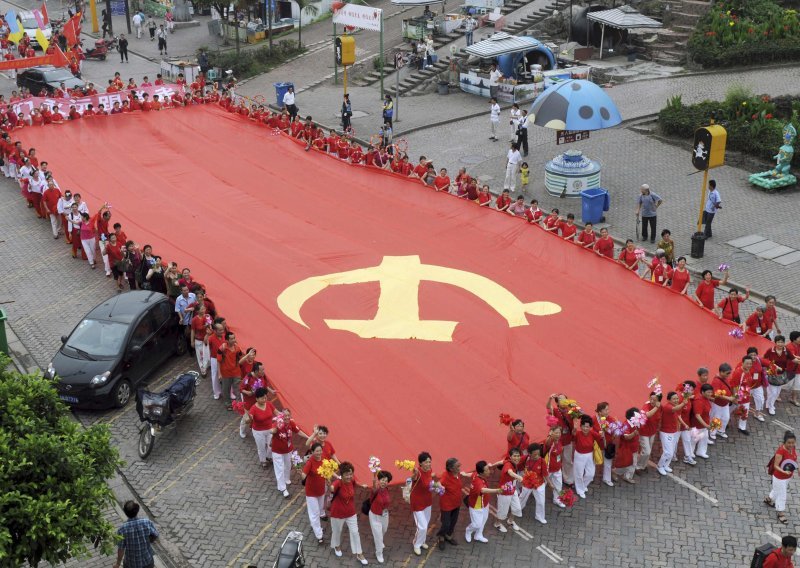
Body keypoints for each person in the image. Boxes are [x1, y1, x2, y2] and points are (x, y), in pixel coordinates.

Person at [329, 462, 369, 565]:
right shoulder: (338, 483)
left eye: (351, 474)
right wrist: (328, 482)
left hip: (351, 512)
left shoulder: (352, 480)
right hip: (337, 513)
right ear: (341, 475)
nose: (349, 476)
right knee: (337, 531)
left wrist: (362, 485)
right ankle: (336, 546)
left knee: (355, 532)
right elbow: (332, 488)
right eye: (347, 474)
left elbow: (355, 483)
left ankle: (359, 553)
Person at [270, 409, 306, 497]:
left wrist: (308, 437)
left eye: (288, 415)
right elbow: (272, 431)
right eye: (285, 415)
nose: (287, 417)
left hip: (288, 450)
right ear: (282, 416)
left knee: (288, 465)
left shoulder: (291, 423)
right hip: (277, 451)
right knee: (280, 469)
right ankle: (283, 488)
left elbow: (298, 431)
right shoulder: (277, 422)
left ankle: (286, 478)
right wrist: (276, 427)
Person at [436, 457, 469, 549]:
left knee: (453, 522)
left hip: (456, 503)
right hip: (447, 505)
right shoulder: (445, 476)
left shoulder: (457, 473)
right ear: (451, 469)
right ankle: (441, 536)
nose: (460, 467)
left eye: (459, 465)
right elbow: (439, 483)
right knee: (446, 523)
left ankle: (448, 536)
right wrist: (439, 486)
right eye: (457, 466)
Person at [766, 431, 798, 525]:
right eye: (789, 443)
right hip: (779, 477)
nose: (791, 445)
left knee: (777, 490)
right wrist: (784, 471)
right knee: (782, 495)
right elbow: (776, 466)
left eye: (793, 442)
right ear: (785, 442)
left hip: (788, 476)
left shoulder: (793, 448)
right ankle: (781, 513)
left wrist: (798, 467)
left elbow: (794, 459)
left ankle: (768, 499)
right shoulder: (780, 451)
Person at [465, 460, 501, 543]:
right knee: (476, 524)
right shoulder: (478, 482)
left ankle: (478, 535)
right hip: (476, 506)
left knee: (484, 520)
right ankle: (468, 530)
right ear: (481, 473)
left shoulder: (477, 474)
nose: (489, 471)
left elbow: (471, 474)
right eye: (487, 470)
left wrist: (465, 474)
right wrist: (497, 491)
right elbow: (483, 490)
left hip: (485, 503)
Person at [114, 500, 158, 568]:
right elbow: (156, 535)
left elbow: (121, 549)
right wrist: (149, 540)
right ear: (137, 510)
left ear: (125, 513)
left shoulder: (122, 529)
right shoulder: (146, 522)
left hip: (131, 563)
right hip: (147, 561)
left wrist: (118, 564)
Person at [656, 391, 689, 475]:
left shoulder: (676, 406)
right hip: (666, 432)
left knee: (671, 450)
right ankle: (660, 466)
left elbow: (678, 416)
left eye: (677, 398)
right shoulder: (667, 407)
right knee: (668, 452)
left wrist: (684, 424)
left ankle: (666, 465)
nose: (676, 400)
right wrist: (683, 403)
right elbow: (675, 409)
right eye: (674, 399)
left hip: (674, 431)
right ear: (668, 400)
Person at [244, 387, 277, 467]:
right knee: (261, 447)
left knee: (272, 445)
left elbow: (277, 412)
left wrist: (284, 416)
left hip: (270, 429)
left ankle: (269, 457)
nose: (265, 400)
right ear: (257, 399)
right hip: (258, 431)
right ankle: (263, 460)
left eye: (265, 397)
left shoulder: (269, 404)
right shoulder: (253, 409)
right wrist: (248, 418)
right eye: (262, 398)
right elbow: (248, 421)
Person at [571, 415, 602, 498]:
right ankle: (580, 490)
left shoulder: (592, 433)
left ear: (590, 427)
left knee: (590, 474)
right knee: (578, 474)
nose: (585, 429)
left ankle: (582, 485)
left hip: (590, 455)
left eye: (587, 427)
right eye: (584, 426)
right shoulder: (577, 434)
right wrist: (574, 426)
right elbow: (573, 433)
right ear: (580, 427)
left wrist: (603, 432)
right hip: (579, 455)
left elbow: (600, 437)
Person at [302, 442, 327, 544]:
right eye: (316, 451)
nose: (319, 453)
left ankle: (315, 525)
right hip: (311, 492)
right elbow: (304, 475)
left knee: (320, 509)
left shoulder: (324, 460)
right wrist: (302, 473)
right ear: (312, 452)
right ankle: (319, 534)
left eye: (320, 450)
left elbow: (326, 471)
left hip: (321, 490)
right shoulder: (310, 462)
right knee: (315, 513)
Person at [410, 451, 434, 556]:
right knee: (422, 526)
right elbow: (413, 478)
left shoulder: (429, 470)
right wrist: (414, 474)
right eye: (426, 462)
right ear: (420, 463)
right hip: (417, 503)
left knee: (426, 523)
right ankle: (416, 544)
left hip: (427, 501)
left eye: (430, 462)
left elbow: (430, 480)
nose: (429, 464)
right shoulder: (418, 473)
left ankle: (422, 541)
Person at [493, 448, 523, 532]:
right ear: (510, 457)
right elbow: (510, 472)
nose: (517, 458)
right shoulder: (508, 465)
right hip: (504, 492)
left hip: (512, 490)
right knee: (503, 510)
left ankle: (510, 521)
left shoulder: (508, 462)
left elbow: (500, 462)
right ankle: (497, 524)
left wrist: (491, 465)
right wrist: (519, 477)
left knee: (517, 508)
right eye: (514, 456)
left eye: (518, 456)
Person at [764, 336, 795, 416]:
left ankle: (769, 403)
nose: (780, 344)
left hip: (782, 375)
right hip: (772, 374)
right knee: (773, 392)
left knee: (777, 392)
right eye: (778, 342)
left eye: (782, 342)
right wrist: (772, 366)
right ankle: (771, 406)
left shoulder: (786, 351)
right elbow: (764, 360)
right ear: (775, 342)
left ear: (784, 343)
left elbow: (793, 359)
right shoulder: (770, 351)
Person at [368, 470, 392, 564]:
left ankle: (379, 541)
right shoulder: (375, 490)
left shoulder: (386, 489)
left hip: (385, 515)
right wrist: (374, 475)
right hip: (374, 516)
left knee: (384, 530)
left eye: (386, 481)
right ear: (379, 480)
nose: (383, 482)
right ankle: (379, 553)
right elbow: (374, 486)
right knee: (378, 536)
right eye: (382, 480)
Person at [635, 392, 662, 474]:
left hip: (652, 432)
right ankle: (638, 466)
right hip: (644, 432)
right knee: (646, 451)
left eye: (654, 400)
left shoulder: (660, 407)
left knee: (648, 450)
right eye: (651, 399)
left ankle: (643, 465)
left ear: (658, 400)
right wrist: (656, 407)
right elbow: (648, 415)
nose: (652, 401)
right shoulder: (646, 405)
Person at [612, 409, 640, 484]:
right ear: (632, 417)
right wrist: (634, 433)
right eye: (637, 415)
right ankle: (616, 472)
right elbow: (626, 437)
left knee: (632, 463)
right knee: (626, 463)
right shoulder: (626, 425)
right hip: (627, 449)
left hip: (634, 448)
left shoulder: (636, 423)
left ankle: (627, 476)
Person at [709, 363, 736, 441]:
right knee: (716, 418)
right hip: (717, 404)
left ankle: (721, 431)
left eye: (729, 373)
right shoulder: (716, 381)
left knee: (725, 418)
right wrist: (728, 398)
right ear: (721, 372)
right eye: (727, 373)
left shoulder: (726, 378)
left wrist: (733, 396)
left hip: (725, 404)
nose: (729, 375)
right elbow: (716, 394)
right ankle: (712, 432)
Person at [217, 331, 243, 410]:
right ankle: (228, 404)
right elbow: (218, 361)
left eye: (234, 338)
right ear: (227, 340)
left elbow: (240, 358)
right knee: (226, 389)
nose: (233, 340)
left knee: (237, 389)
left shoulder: (237, 348)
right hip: (226, 373)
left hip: (236, 372)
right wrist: (219, 373)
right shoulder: (221, 349)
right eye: (231, 339)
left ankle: (239, 404)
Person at [691, 383, 714, 459]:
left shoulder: (705, 398)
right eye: (708, 392)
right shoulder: (699, 401)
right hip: (698, 425)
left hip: (704, 423)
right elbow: (697, 415)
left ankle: (701, 452)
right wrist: (706, 425)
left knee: (704, 438)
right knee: (694, 439)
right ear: (702, 392)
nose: (710, 394)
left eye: (711, 392)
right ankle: (690, 453)